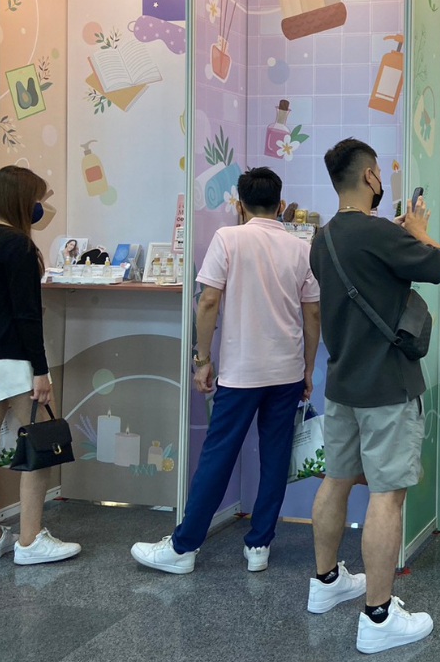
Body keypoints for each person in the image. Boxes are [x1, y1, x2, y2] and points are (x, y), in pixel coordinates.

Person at [131, 167, 321, 575]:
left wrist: (202, 359)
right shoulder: (300, 248)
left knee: (218, 457)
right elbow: (313, 314)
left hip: (241, 373)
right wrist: (307, 370)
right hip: (287, 372)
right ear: (280, 203)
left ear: (240, 204)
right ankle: (260, 545)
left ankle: (184, 547)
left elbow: (208, 302)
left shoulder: (227, 238)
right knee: (275, 458)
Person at [308, 138, 440, 653]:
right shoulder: (383, 235)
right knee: (387, 495)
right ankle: (378, 616)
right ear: (371, 177)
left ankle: (326, 582)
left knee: (336, 480)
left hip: (342, 384)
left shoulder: (322, 239)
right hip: (388, 387)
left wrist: (397, 237)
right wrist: (418, 232)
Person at [0, 165, 81, 565]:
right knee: (41, 441)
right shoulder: (19, 247)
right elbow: (27, 316)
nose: (41, 207)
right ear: (21, 201)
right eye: (39, 200)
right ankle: (30, 541)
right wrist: (40, 371)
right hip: (11, 361)